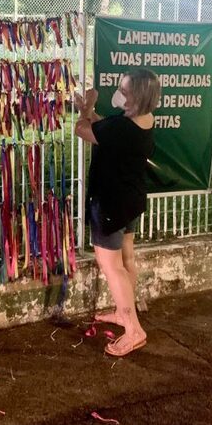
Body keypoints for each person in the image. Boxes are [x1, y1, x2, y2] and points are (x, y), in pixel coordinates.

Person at [74, 69, 159, 357]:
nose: (119, 92)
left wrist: (85, 108)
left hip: (110, 202)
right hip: (129, 198)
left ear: (136, 96)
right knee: (126, 259)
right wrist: (92, 111)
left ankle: (134, 330)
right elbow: (103, 128)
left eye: (124, 89)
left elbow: (82, 130)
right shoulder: (141, 120)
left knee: (111, 265)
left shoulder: (123, 128)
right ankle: (125, 314)